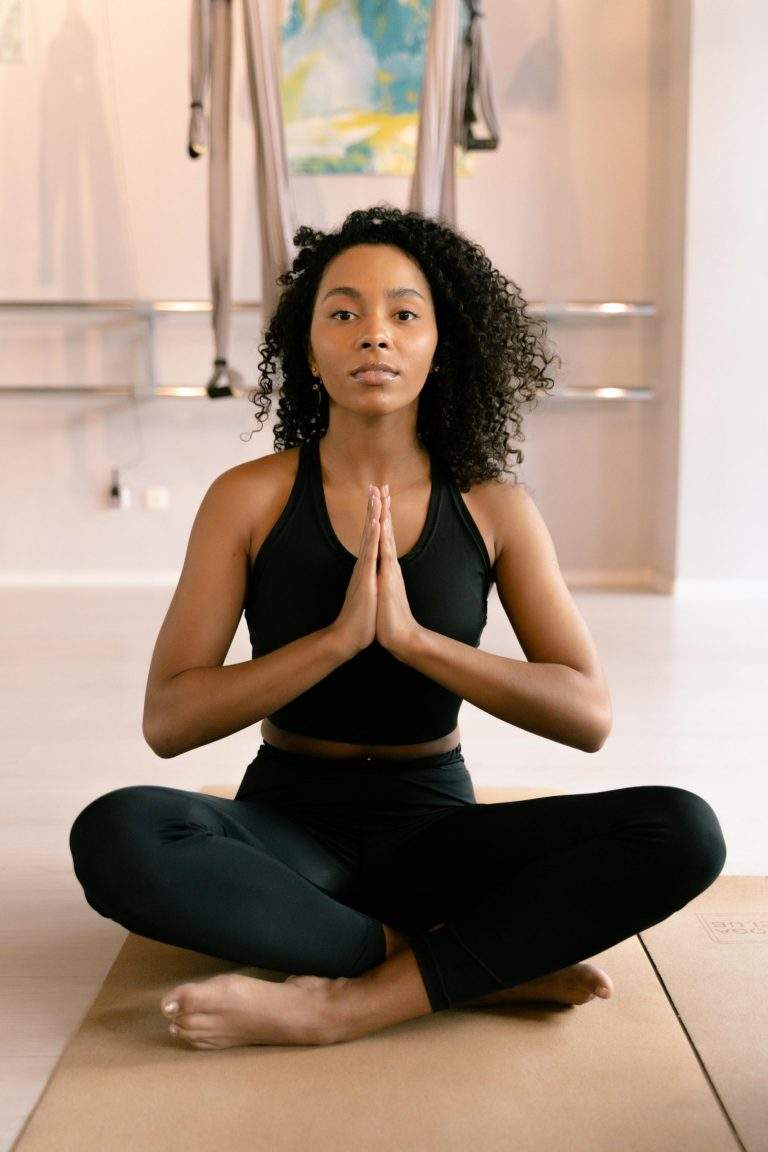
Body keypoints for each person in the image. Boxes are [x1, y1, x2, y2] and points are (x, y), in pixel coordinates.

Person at [69, 204, 727, 1051]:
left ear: (439, 345)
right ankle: (470, 967)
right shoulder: (248, 498)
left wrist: (416, 642)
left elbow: (587, 715)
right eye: (343, 313)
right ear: (309, 349)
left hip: (435, 836)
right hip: (287, 832)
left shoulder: (494, 507)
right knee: (117, 832)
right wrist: (337, 641)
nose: (374, 334)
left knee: (683, 830)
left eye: (404, 314)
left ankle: (345, 1003)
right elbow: (169, 721)